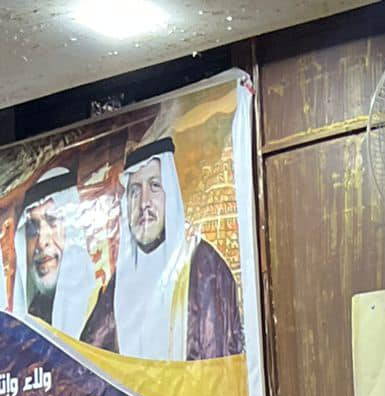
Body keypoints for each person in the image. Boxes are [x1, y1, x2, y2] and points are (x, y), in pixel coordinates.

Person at [80, 136, 244, 360]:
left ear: (171, 194)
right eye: (135, 191)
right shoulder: (119, 284)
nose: (144, 202)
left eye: (155, 186)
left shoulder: (203, 266)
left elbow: (217, 365)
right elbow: (87, 360)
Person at [10, 163, 96, 338]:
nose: (42, 242)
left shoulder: (102, 307)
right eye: (32, 228)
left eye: (53, 220)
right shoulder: (33, 314)